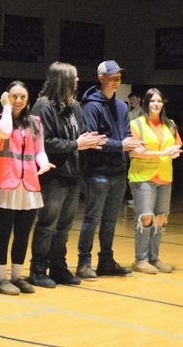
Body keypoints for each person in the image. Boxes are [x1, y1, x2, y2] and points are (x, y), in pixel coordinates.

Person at [28, 62, 106, 288]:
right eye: (74, 78)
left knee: (64, 226)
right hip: (53, 177)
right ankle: (38, 269)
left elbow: (80, 135)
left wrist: (89, 140)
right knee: (48, 224)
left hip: (73, 176)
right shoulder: (43, 107)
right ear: (62, 80)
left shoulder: (74, 107)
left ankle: (58, 267)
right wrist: (76, 143)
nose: (77, 82)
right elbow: (43, 142)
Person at [0, 81, 53, 295]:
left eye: (22, 97)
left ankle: (17, 276)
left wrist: (43, 163)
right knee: (3, 234)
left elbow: (39, 150)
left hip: (28, 186)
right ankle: (1, 279)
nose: (18, 100)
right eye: (14, 96)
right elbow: (5, 133)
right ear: (6, 97)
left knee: (23, 235)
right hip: (4, 185)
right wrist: (5, 107)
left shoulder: (35, 122)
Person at [77, 60, 140, 279]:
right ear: (101, 78)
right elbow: (94, 140)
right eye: (113, 78)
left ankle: (106, 261)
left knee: (111, 219)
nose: (117, 82)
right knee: (92, 218)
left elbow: (125, 133)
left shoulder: (122, 106)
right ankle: (84, 262)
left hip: (118, 171)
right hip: (98, 171)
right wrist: (121, 145)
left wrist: (133, 144)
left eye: (119, 78)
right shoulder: (91, 106)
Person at [127, 89, 182, 274]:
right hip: (143, 176)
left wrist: (173, 152)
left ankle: (153, 257)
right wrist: (162, 153)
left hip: (165, 175)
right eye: (152, 101)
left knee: (161, 218)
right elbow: (134, 152)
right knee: (146, 217)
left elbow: (176, 146)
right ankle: (140, 259)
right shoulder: (137, 124)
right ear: (146, 103)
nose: (156, 104)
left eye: (159, 101)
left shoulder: (171, 124)